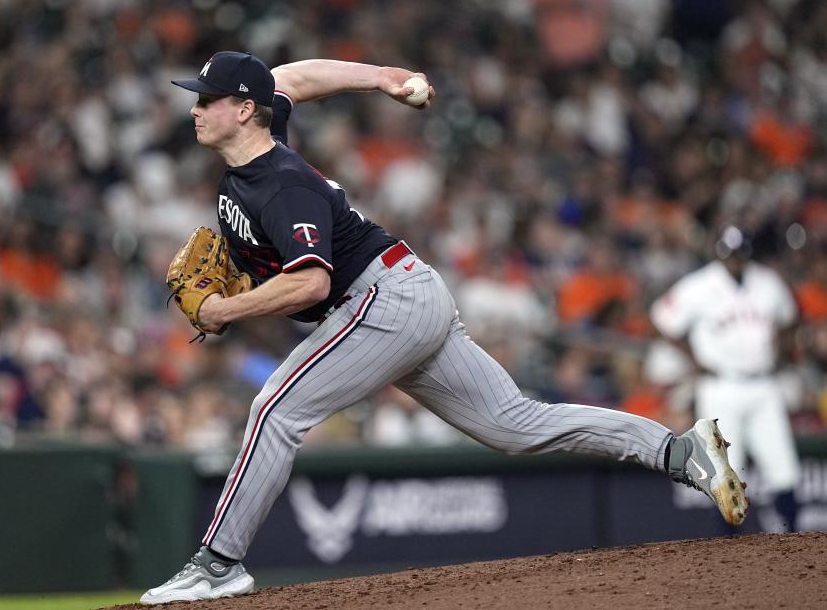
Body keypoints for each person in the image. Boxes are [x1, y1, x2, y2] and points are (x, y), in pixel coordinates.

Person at [140, 51, 748, 604]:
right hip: (407, 295)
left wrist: (223, 309)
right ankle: (676, 451)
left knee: (274, 410)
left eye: (206, 100)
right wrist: (382, 78)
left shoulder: (281, 184)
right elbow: (293, 78)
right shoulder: (258, 150)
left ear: (245, 111)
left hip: (380, 301)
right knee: (516, 426)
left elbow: (312, 284)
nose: (194, 109)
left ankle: (219, 563)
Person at [651, 225, 801, 532]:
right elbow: (662, 318)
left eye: (738, 254)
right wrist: (693, 359)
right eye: (728, 254)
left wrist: (781, 345)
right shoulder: (699, 285)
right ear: (718, 252)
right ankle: (728, 555)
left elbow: (789, 317)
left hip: (764, 384)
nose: (733, 260)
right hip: (721, 386)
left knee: (784, 467)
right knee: (725, 472)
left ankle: (794, 542)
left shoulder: (767, 282)